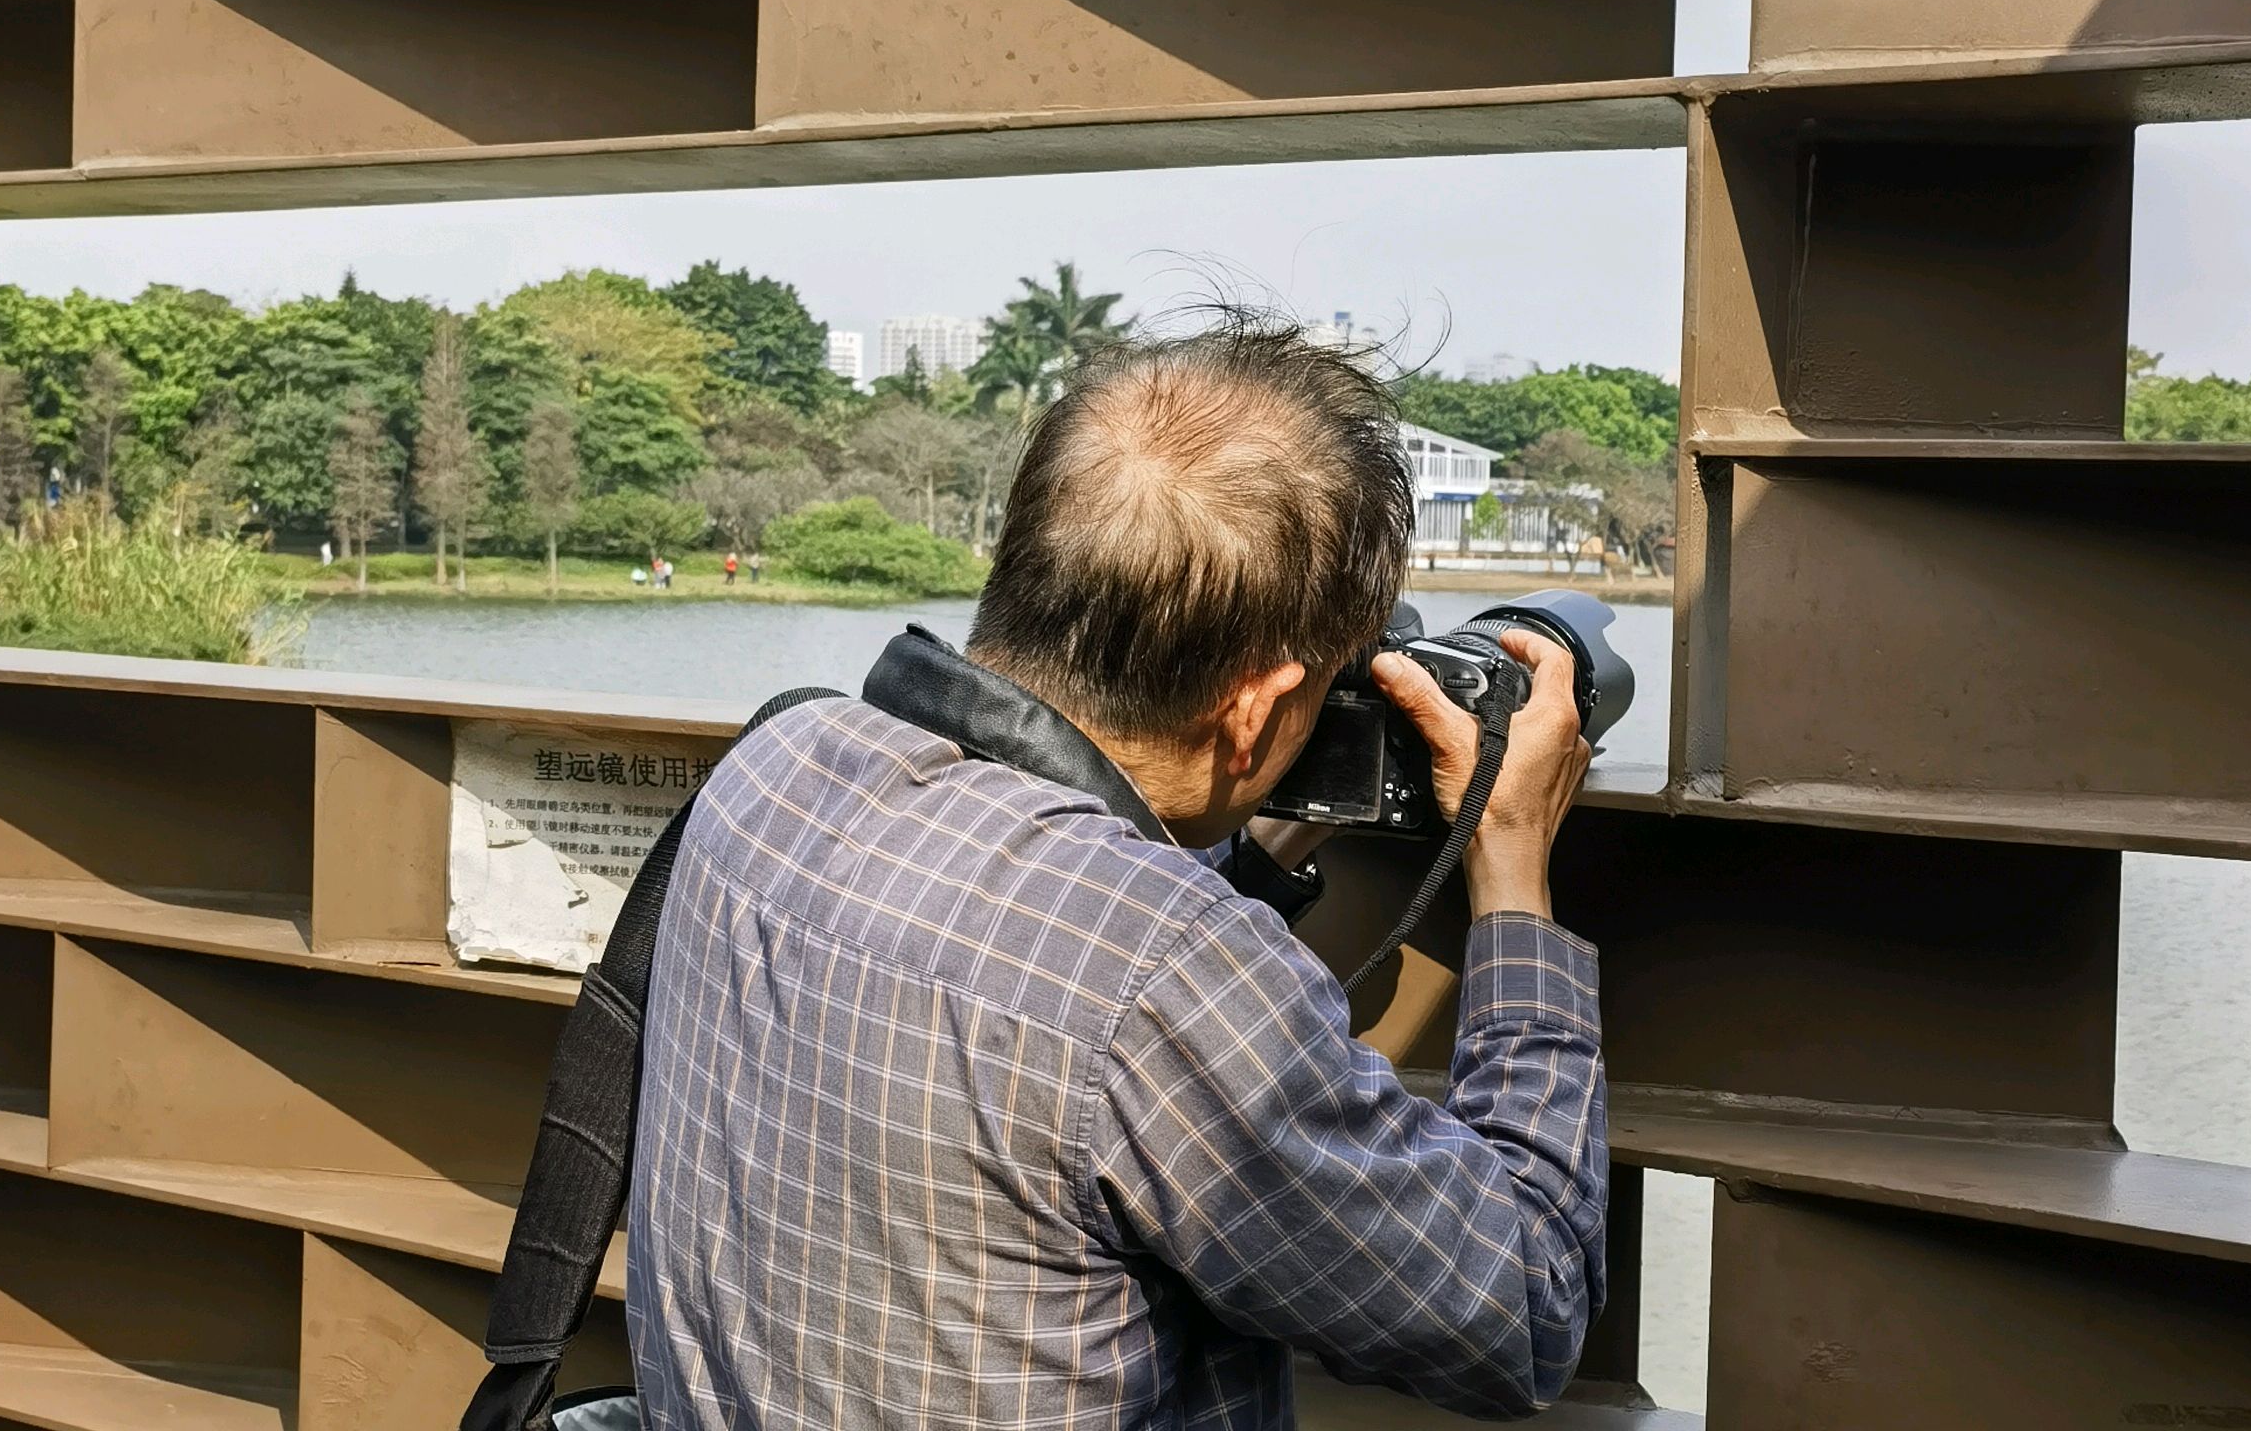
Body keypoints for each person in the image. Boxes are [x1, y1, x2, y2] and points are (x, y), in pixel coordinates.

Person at [628, 319, 1603, 1428]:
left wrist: (1260, 841)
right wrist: (1512, 862)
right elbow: (1522, 1306)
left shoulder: (775, 759)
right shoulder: (1168, 969)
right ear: (1249, 709)